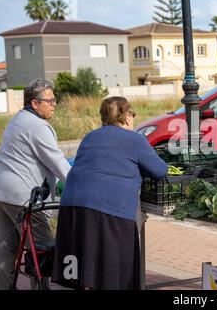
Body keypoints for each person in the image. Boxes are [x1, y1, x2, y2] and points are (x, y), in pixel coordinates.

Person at [52, 96, 168, 290]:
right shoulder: (134, 139)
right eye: (132, 113)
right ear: (127, 116)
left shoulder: (90, 136)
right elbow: (160, 170)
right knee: (115, 271)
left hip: (73, 206)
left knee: (83, 267)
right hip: (109, 208)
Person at [0, 79, 71, 289]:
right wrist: (80, 184)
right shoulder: (37, 126)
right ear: (34, 103)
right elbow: (58, 162)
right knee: (42, 248)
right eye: (49, 100)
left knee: (4, 249)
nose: (54, 104)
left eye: (54, 99)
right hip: (22, 196)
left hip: (2, 193)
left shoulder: (18, 119)